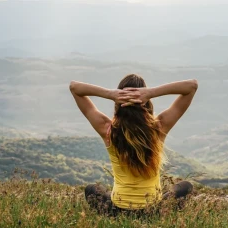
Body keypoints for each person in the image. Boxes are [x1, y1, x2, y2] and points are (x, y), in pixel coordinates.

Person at [69, 74, 198, 215]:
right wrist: (151, 93)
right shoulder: (159, 128)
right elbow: (191, 86)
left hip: (117, 211)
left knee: (91, 189)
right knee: (186, 186)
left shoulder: (107, 129)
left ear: (118, 102)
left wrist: (110, 94)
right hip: (153, 212)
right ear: (145, 101)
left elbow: (75, 87)